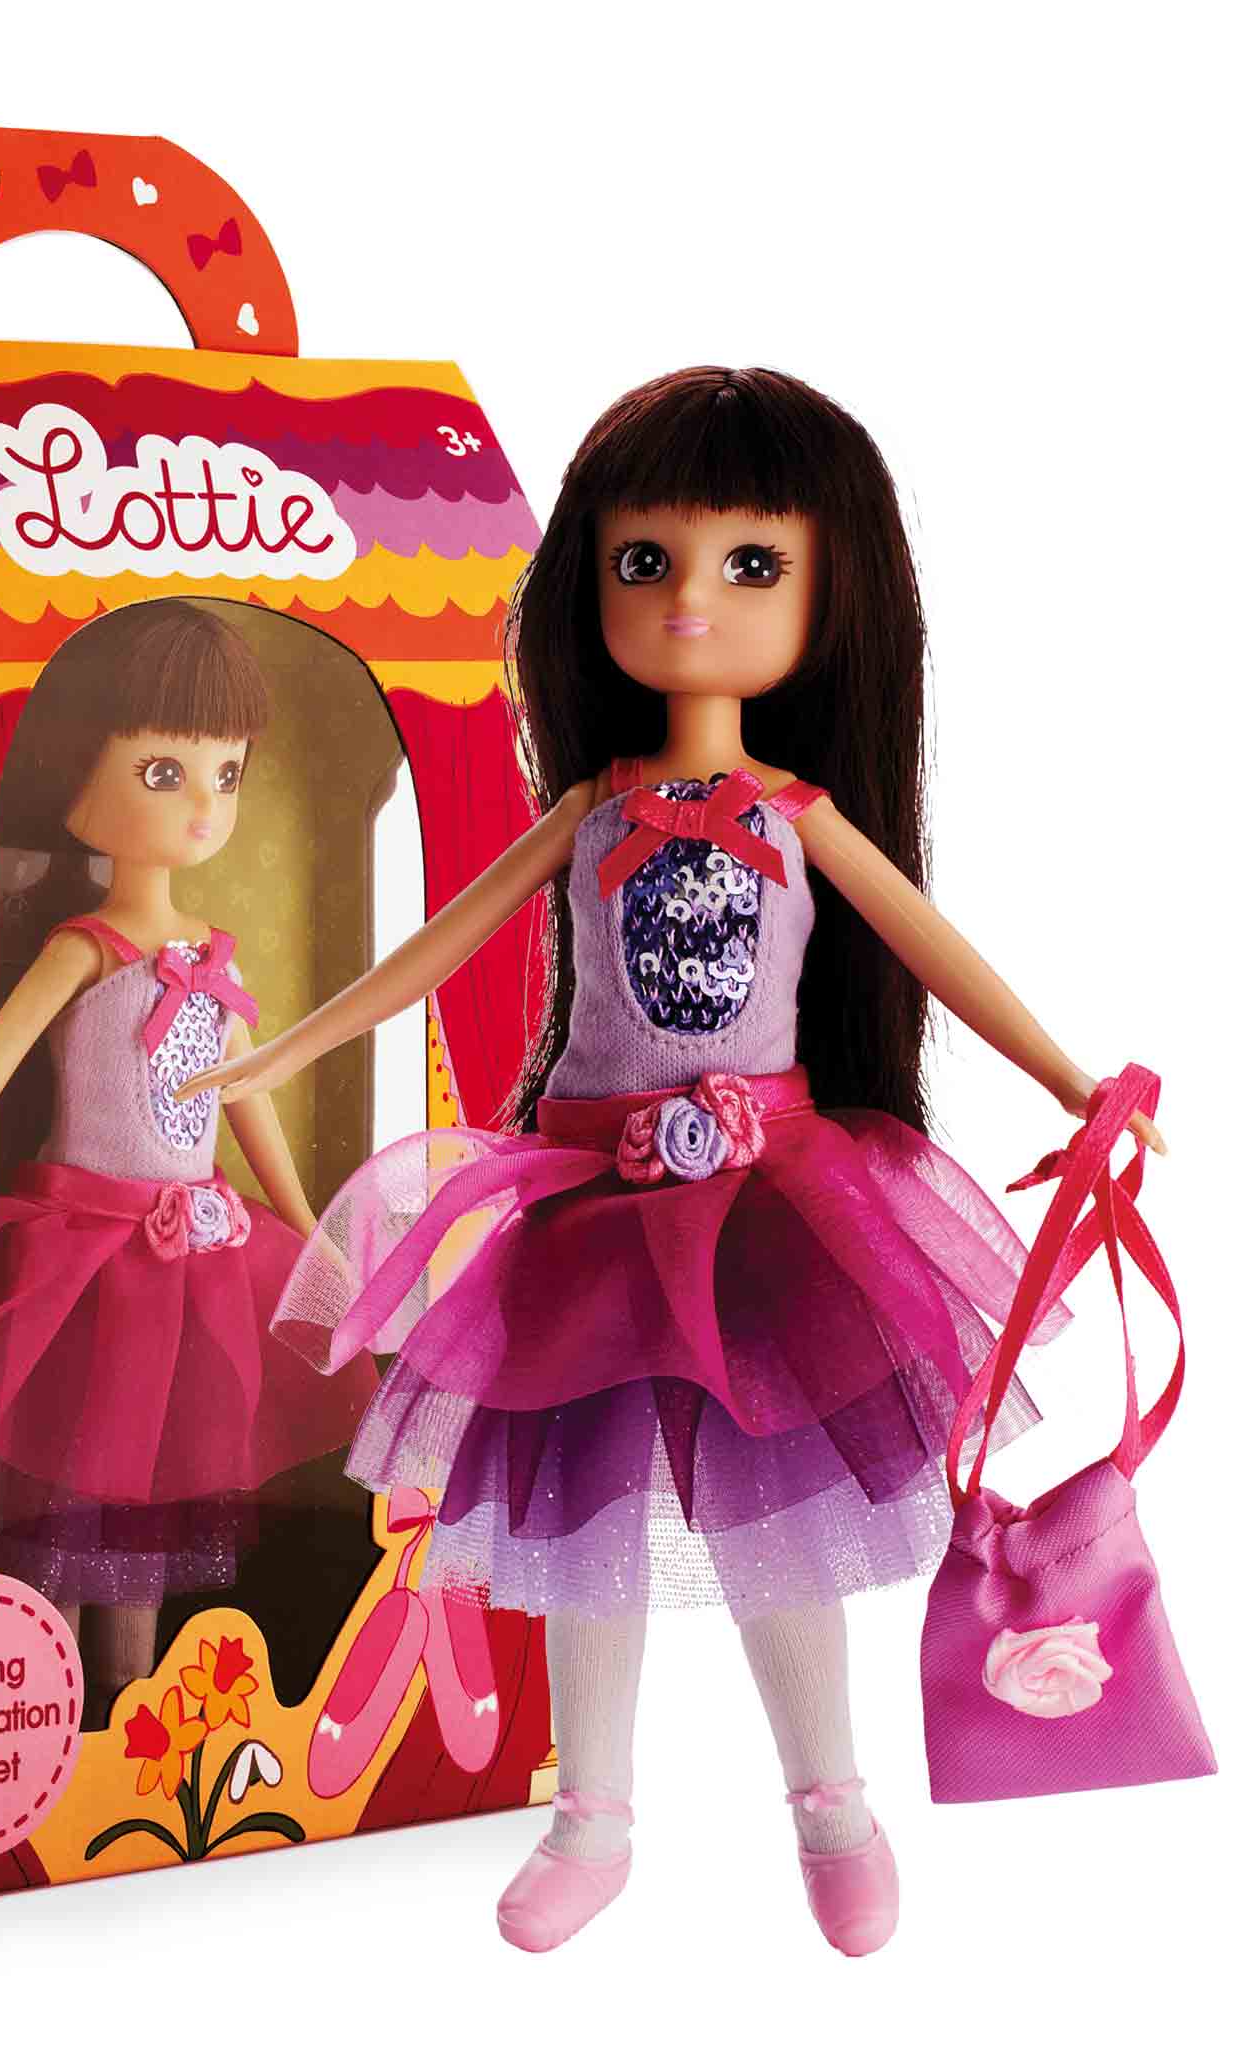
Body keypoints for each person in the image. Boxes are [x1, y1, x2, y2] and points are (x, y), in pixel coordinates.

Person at [180, 369, 1160, 1952]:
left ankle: (831, 1804)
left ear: (830, 597)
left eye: (750, 565)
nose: (692, 598)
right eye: (647, 561)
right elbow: (439, 947)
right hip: (584, 1204)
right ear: (593, 581)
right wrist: (281, 1053)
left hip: (767, 1206)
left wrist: (1072, 1078)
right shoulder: (589, 806)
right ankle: (594, 1817)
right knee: (578, 1526)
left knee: (785, 1516)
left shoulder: (799, 811)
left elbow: (931, 945)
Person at [0, 597, 375, 1729]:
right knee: (68, 1485)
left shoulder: (210, 958)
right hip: (88, 1251)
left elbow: (245, 1098)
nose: (205, 803)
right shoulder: (82, 948)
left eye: (226, 773)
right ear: (77, 775)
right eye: (166, 773)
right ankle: (37, 1700)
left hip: (196, 1257)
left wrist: (305, 1226)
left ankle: (130, 1699)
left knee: (153, 1494)